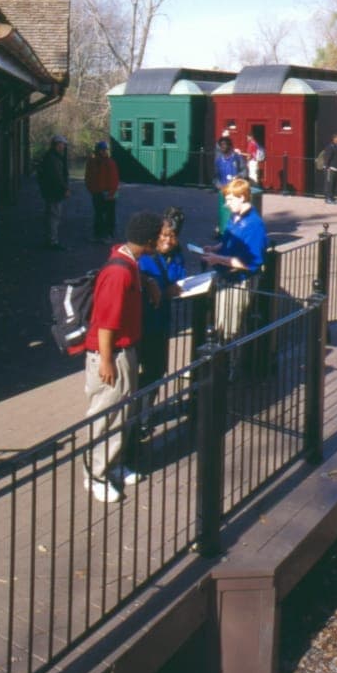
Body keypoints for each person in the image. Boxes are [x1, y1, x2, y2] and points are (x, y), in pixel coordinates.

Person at [83, 210, 164, 503]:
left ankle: (113, 464)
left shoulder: (130, 263)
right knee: (106, 415)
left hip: (123, 351)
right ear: (149, 240)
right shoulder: (118, 273)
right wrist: (106, 360)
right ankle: (95, 475)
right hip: (112, 354)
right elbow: (106, 322)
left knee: (121, 412)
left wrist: (149, 282)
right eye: (159, 235)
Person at [133, 207, 189, 440]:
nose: (167, 241)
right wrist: (163, 289)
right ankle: (138, 419)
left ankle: (144, 414)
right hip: (144, 322)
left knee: (157, 369)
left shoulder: (175, 254)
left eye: (172, 237)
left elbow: (179, 275)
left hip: (161, 321)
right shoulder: (145, 258)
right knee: (144, 370)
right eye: (163, 237)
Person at [202, 177, 268, 341]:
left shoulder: (254, 225)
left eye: (230, 200)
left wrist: (218, 258)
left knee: (232, 328)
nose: (227, 204)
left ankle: (232, 364)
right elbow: (227, 240)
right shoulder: (234, 216)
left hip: (240, 281)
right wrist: (215, 248)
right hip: (226, 277)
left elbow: (250, 262)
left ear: (242, 197)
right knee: (220, 322)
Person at [36, 134, 70, 250]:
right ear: (57, 145)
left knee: (51, 215)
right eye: (62, 144)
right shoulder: (53, 159)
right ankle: (52, 241)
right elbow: (58, 177)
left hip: (50, 191)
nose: (63, 147)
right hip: (54, 192)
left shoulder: (50, 157)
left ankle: (50, 239)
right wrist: (65, 188)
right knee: (54, 216)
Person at [85, 140, 120, 243]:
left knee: (110, 215)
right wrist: (91, 189)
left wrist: (112, 192)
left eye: (105, 150)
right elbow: (88, 177)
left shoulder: (110, 163)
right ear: (98, 151)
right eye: (102, 150)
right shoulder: (92, 162)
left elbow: (115, 180)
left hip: (109, 192)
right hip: (97, 192)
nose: (104, 152)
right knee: (98, 214)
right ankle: (98, 234)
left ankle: (109, 235)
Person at [214, 135, 246, 233]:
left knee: (235, 211)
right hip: (223, 190)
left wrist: (238, 177)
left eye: (225, 144)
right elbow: (215, 177)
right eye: (221, 145)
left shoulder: (237, 158)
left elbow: (244, 171)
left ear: (230, 146)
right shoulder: (218, 160)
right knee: (222, 211)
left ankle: (236, 231)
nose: (223, 147)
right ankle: (221, 230)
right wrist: (219, 186)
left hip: (236, 190)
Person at [318, 133, 337, 204]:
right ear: (335, 138)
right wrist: (327, 167)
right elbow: (327, 158)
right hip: (330, 168)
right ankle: (328, 198)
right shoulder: (330, 147)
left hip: (336, 168)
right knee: (329, 183)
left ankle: (332, 197)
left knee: (334, 184)